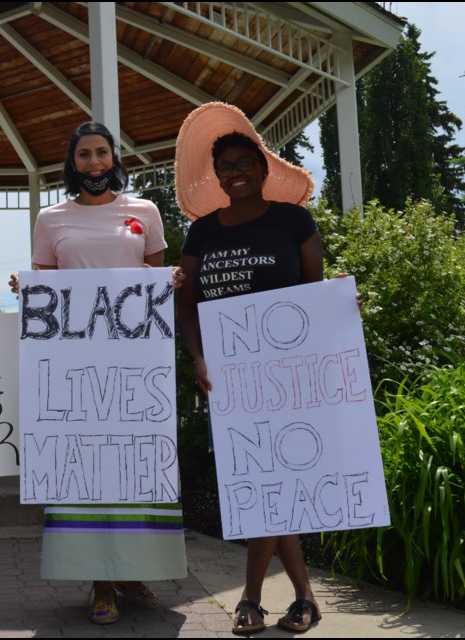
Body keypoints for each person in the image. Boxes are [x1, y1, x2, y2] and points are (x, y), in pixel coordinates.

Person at [14, 122, 188, 625]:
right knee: (86, 469)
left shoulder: (145, 212)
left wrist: (170, 278)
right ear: (72, 163)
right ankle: (102, 581)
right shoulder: (50, 218)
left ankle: (134, 573)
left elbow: (152, 278)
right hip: (75, 371)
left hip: (135, 366)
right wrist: (26, 285)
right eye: (84, 155)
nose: (94, 163)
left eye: (101, 154)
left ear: (114, 159)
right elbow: (45, 282)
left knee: (134, 466)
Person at [174, 102, 323, 635]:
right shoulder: (203, 232)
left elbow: (314, 296)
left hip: (288, 375)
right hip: (229, 377)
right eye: (225, 168)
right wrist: (198, 357)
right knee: (261, 484)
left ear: (262, 168)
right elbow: (185, 301)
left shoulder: (293, 220)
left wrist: (340, 309)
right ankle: (301, 598)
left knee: (272, 483)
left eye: (243, 164)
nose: (234, 173)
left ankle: (253, 599)